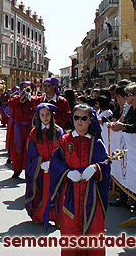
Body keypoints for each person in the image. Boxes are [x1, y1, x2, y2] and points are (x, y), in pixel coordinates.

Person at [44, 104, 110, 255]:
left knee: (94, 233)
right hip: (70, 196)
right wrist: (66, 173)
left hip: (92, 196)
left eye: (84, 118)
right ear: (72, 119)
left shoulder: (97, 143)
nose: (80, 121)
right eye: (76, 117)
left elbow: (106, 164)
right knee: (69, 232)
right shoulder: (64, 140)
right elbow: (56, 161)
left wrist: (95, 168)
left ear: (90, 121)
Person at [25, 103, 63, 224]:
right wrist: (39, 162)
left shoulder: (58, 131)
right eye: (42, 115)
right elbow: (31, 153)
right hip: (40, 169)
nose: (45, 117)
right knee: (41, 193)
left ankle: (56, 217)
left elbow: (61, 151)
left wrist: (52, 163)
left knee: (56, 192)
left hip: (55, 168)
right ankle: (40, 215)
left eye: (47, 114)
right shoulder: (34, 132)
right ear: (38, 116)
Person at [8, 82, 35, 178]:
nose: (26, 89)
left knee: (29, 149)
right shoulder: (16, 98)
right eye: (24, 87)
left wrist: (30, 99)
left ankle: (28, 170)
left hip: (29, 127)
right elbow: (10, 104)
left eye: (28, 88)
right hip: (18, 127)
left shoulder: (34, 99)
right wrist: (21, 97)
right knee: (17, 148)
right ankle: (16, 170)